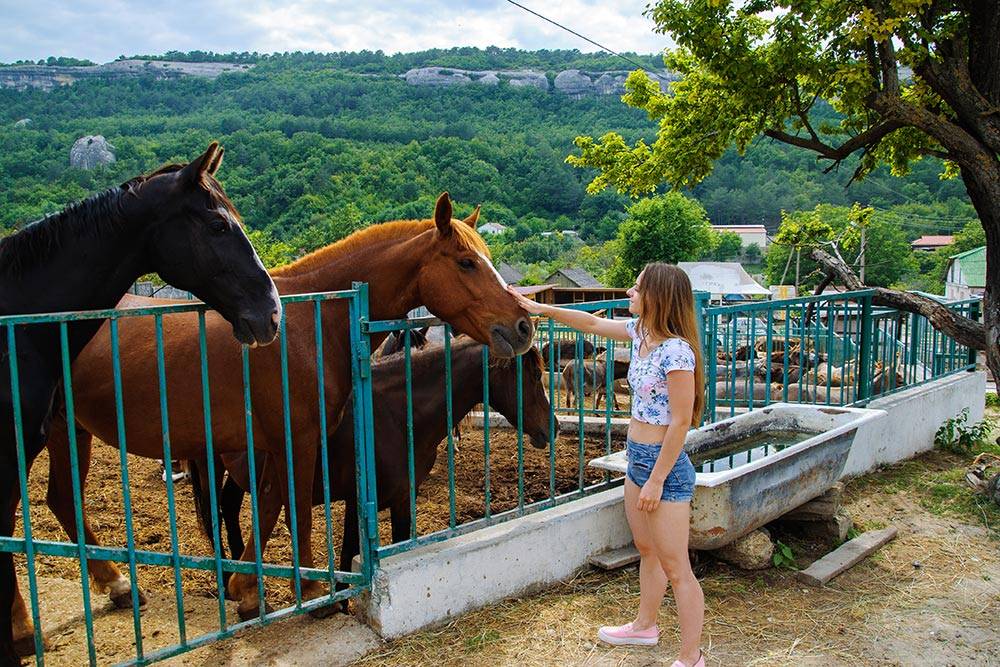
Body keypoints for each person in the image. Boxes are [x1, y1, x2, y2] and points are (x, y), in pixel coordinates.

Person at [507, 262, 705, 667]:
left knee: (677, 566)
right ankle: (645, 626)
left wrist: (656, 481)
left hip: (662, 468)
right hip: (637, 457)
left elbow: (681, 422)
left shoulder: (677, 351)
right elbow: (591, 325)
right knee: (647, 549)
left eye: (636, 288)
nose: (630, 293)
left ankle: (691, 657)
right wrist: (539, 309)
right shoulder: (640, 334)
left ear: (658, 297)